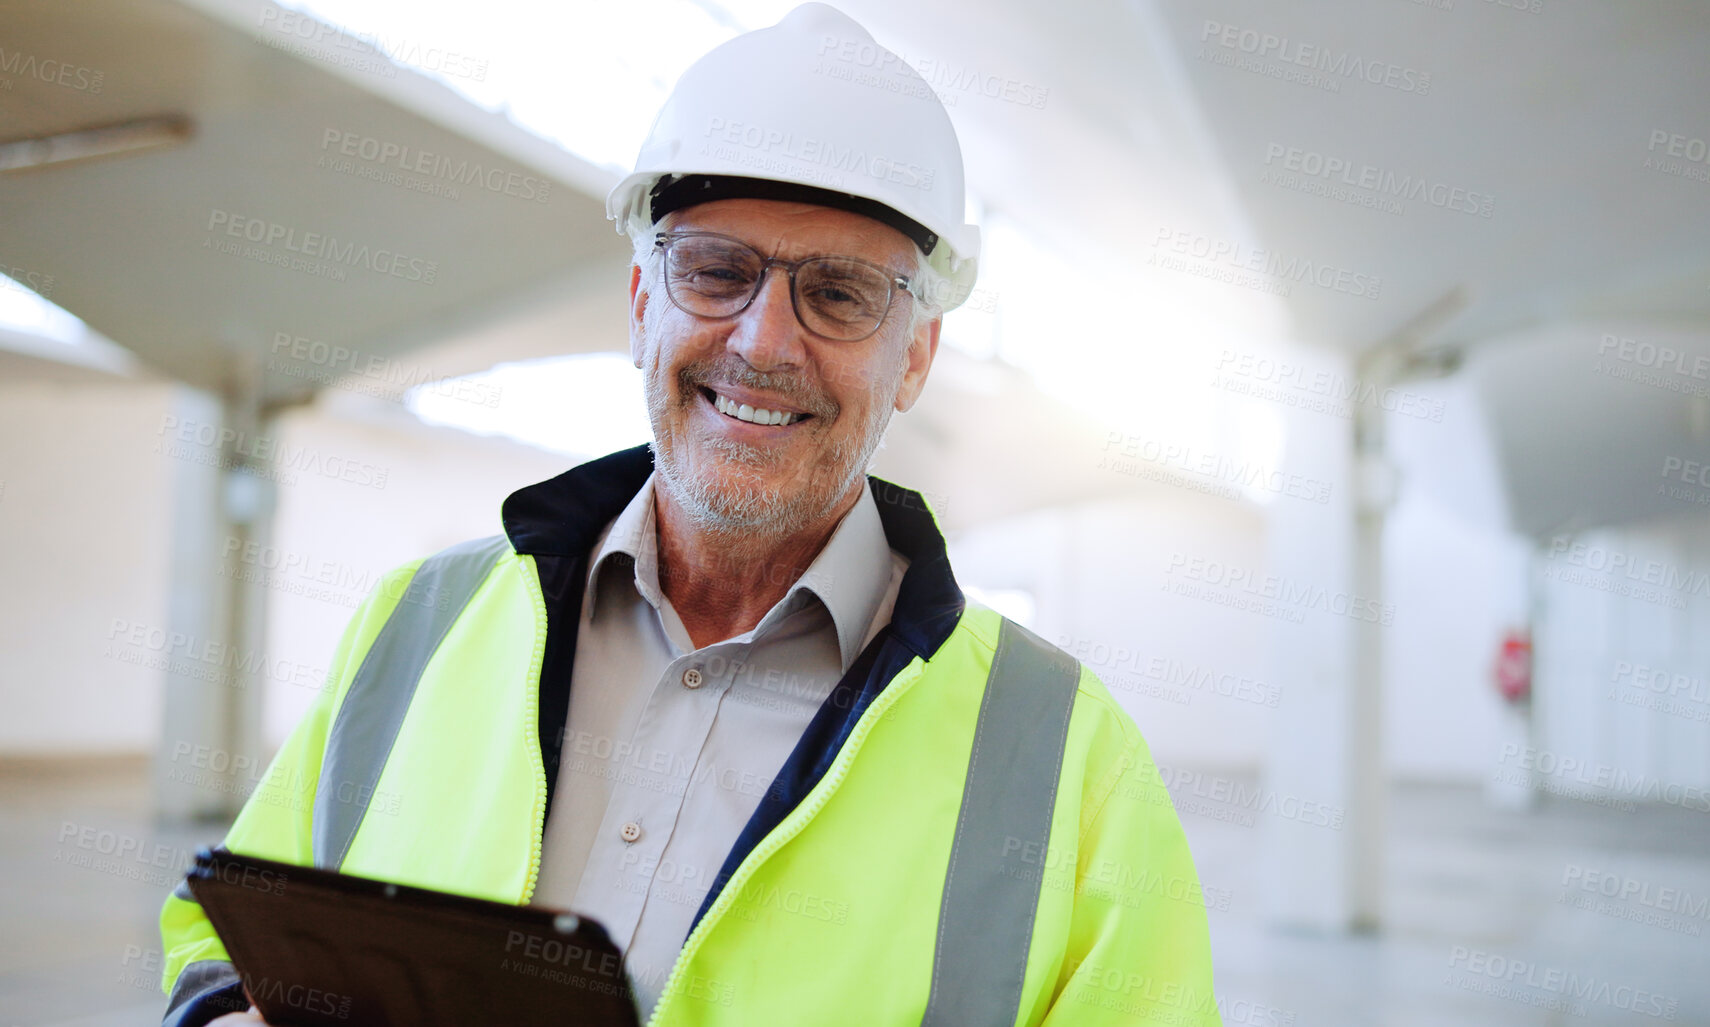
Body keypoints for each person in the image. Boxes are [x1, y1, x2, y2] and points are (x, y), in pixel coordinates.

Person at [160, 4, 1221, 1025]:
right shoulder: (418, 623)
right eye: (716, 271)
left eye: (842, 294)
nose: (764, 342)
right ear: (639, 304)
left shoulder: (1068, 759)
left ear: (917, 358)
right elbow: (219, 931)